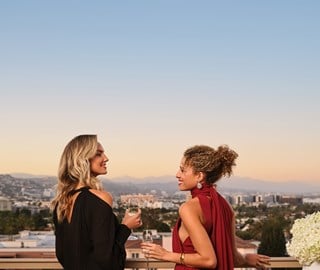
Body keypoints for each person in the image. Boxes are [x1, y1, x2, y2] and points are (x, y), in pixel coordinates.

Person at [141, 145, 270, 270]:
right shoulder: (225, 206)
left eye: (183, 170)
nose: (177, 174)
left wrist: (165, 254)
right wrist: (247, 259)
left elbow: (209, 260)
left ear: (199, 176)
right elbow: (233, 257)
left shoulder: (188, 208)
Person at [51, 134, 142, 270]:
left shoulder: (61, 202)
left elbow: (64, 254)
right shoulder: (101, 198)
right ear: (82, 159)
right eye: (99, 154)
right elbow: (108, 260)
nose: (106, 158)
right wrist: (126, 227)